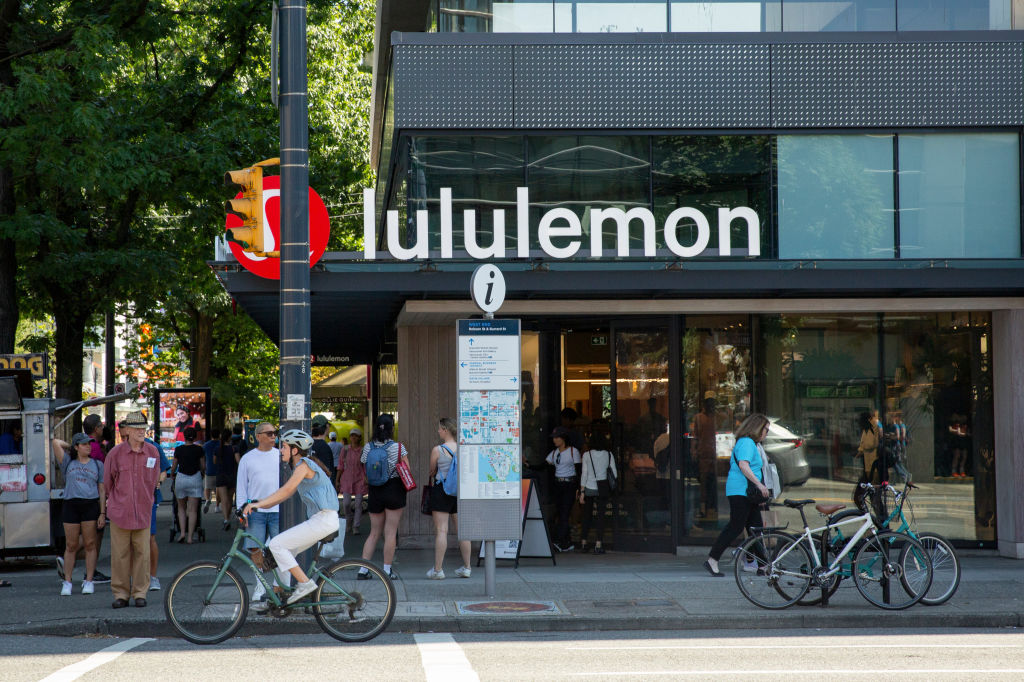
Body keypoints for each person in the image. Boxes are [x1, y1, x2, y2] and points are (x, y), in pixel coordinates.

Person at [242, 429, 340, 607]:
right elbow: (278, 496)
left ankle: (305, 584)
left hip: (323, 520)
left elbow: (286, 492)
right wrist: (255, 503)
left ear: (295, 450)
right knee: (284, 555)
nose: (281, 450)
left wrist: (256, 505)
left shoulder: (304, 465)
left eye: (284, 447)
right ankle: (278, 596)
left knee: (276, 544)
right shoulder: (303, 465)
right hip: (322, 520)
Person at [104, 410, 162, 608]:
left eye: (143, 428)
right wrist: (117, 501)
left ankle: (140, 592)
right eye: (136, 428)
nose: (141, 431)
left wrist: (146, 499)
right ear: (126, 430)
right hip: (121, 511)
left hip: (144, 511)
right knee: (120, 556)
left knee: (142, 555)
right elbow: (108, 482)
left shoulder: (152, 452)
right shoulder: (115, 453)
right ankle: (120, 594)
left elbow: (154, 480)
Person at [705, 413, 771, 577]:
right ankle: (713, 559)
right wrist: (759, 484)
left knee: (755, 529)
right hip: (741, 491)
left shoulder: (750, 443)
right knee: (736, 526)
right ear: (757, 428)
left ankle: (763, 565)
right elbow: (743, 465)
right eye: (766, 430)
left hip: (746, 492)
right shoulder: (747, 443)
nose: (766, 433)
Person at [235, 422, 281, 602]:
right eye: (269, 433)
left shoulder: (280, 456)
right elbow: (242, 486)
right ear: (258, 436)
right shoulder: (248, 458)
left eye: (275, 433)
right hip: (256, 511)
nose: (273, 436)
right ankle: (260, 585)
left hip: (277, 509)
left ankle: (278, 586)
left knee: (278, 549)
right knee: (255, 549)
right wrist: (242, 510)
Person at [55, 433, 105, 595]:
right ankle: (67, 581)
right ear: (77, 447)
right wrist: (72, 446)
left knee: (90, 543)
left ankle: (89, 580)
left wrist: (102, 512)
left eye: (89, 444)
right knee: (71, 545)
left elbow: (102, 489)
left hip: (90, 504)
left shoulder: (97, 465)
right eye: (84, 444)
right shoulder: (68, 463)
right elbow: (55, 442)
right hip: (71, 503)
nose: (88, 446)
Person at [359, 414, 408, 580]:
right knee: (390, 532)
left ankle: (363, 569)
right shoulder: (399, 448)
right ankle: (386, 570)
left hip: (375, 491)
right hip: (394, 490)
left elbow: (365, 471)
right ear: (391, 428)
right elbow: (407, 469)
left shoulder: (368, 447)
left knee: (374, 532)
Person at [426, 417, 471, 580]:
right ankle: (467, 567)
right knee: (462, 531)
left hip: (442, 490)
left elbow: (432, 471)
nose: (438, 431)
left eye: (439, 428)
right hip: (460, 492)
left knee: (442, 530)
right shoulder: (463, 448)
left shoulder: (438, 450)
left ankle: (438, 570)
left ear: (445, 430)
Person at [578, 431, 617, 555]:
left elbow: (584, 474)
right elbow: (614, 474)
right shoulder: (609, 455)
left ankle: (584, 543)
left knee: (586, 516)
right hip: (603, 488)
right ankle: (598, 544)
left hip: (589, 487)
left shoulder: (586, 455)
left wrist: (582, 491)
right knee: (601, 516)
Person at [546, 425, 581, 552]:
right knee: (560, 513)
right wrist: (528, 465)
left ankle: (561, 541)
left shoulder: (573, 451)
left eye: (557, 437)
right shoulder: (554, 453)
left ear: (563, 438)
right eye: (554, 438)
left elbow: (578, 470)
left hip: (569, 484)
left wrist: (579, 488)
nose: (554, 440)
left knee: (565, 512)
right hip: (558, 484)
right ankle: (566, 541)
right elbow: (544, 465)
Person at [146, 432, 172, 592]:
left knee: (150, 537)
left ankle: (153, 576)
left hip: (149, 498)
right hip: (128, 500)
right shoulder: (122, 449)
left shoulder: (153, 447)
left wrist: (159, 481)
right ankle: (136, 577)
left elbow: (164, 470)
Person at [171, 426, 204, 544]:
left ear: (184, 436)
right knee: (193, 510)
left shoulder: (179, 449)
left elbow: (174, 466)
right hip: (195, 478)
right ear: (195, 437)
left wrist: (172, 475)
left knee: (181, 508)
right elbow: (203, 466)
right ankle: (190, 537)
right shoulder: (199, 449)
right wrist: (202, 475)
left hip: (181, 478)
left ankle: (182, 533)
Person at [336, 427, 367, 535]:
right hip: (346, 479)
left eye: (355, 435)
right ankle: (349, 521)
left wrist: (366, 478)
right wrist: (337, 480)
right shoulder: (344, 450)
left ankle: (356, 526)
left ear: (359, 438)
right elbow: (340, 465)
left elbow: (365, 466)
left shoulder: (363, 451)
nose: (353, 437)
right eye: (351, 435)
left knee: (358, 504)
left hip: (359, 479)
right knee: (346, 504)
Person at [693, 396, 718, 520]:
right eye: (708, 403)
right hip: (704, 453)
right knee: (703, 483)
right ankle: (703, 509)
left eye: (712, 403)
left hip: (715, 453)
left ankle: (712, 508)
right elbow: (695, 435)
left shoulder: (717, 417)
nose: (710, 405)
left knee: (714, 482)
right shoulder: (699, 417)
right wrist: (694, 451)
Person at [215, 428, 239, 531]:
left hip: (221, 475)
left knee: (224, 500)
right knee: (230, 499)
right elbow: (238, 461)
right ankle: (228, 517)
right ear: (230, 437)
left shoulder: (217, 449)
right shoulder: (234, 448)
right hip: (232, 475)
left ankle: (226, 519)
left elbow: (214, 461)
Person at [856, 412, 878, 481]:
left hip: (872, 455)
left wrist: (862, 449)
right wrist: (860, 450)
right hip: (867, 456)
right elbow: (863, 441)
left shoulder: (873, 427)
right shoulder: (866, 429)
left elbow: (870, 443)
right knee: (868, 471)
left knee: (873, 472)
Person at [202, 431, 220, 514]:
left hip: (209, 469)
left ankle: (207, 500)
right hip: (219, 470)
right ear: (219, 435)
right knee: (218, 489)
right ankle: (217, 506)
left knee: (207, 487)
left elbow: (203, 457)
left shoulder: (206, 445)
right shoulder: (221, 444)